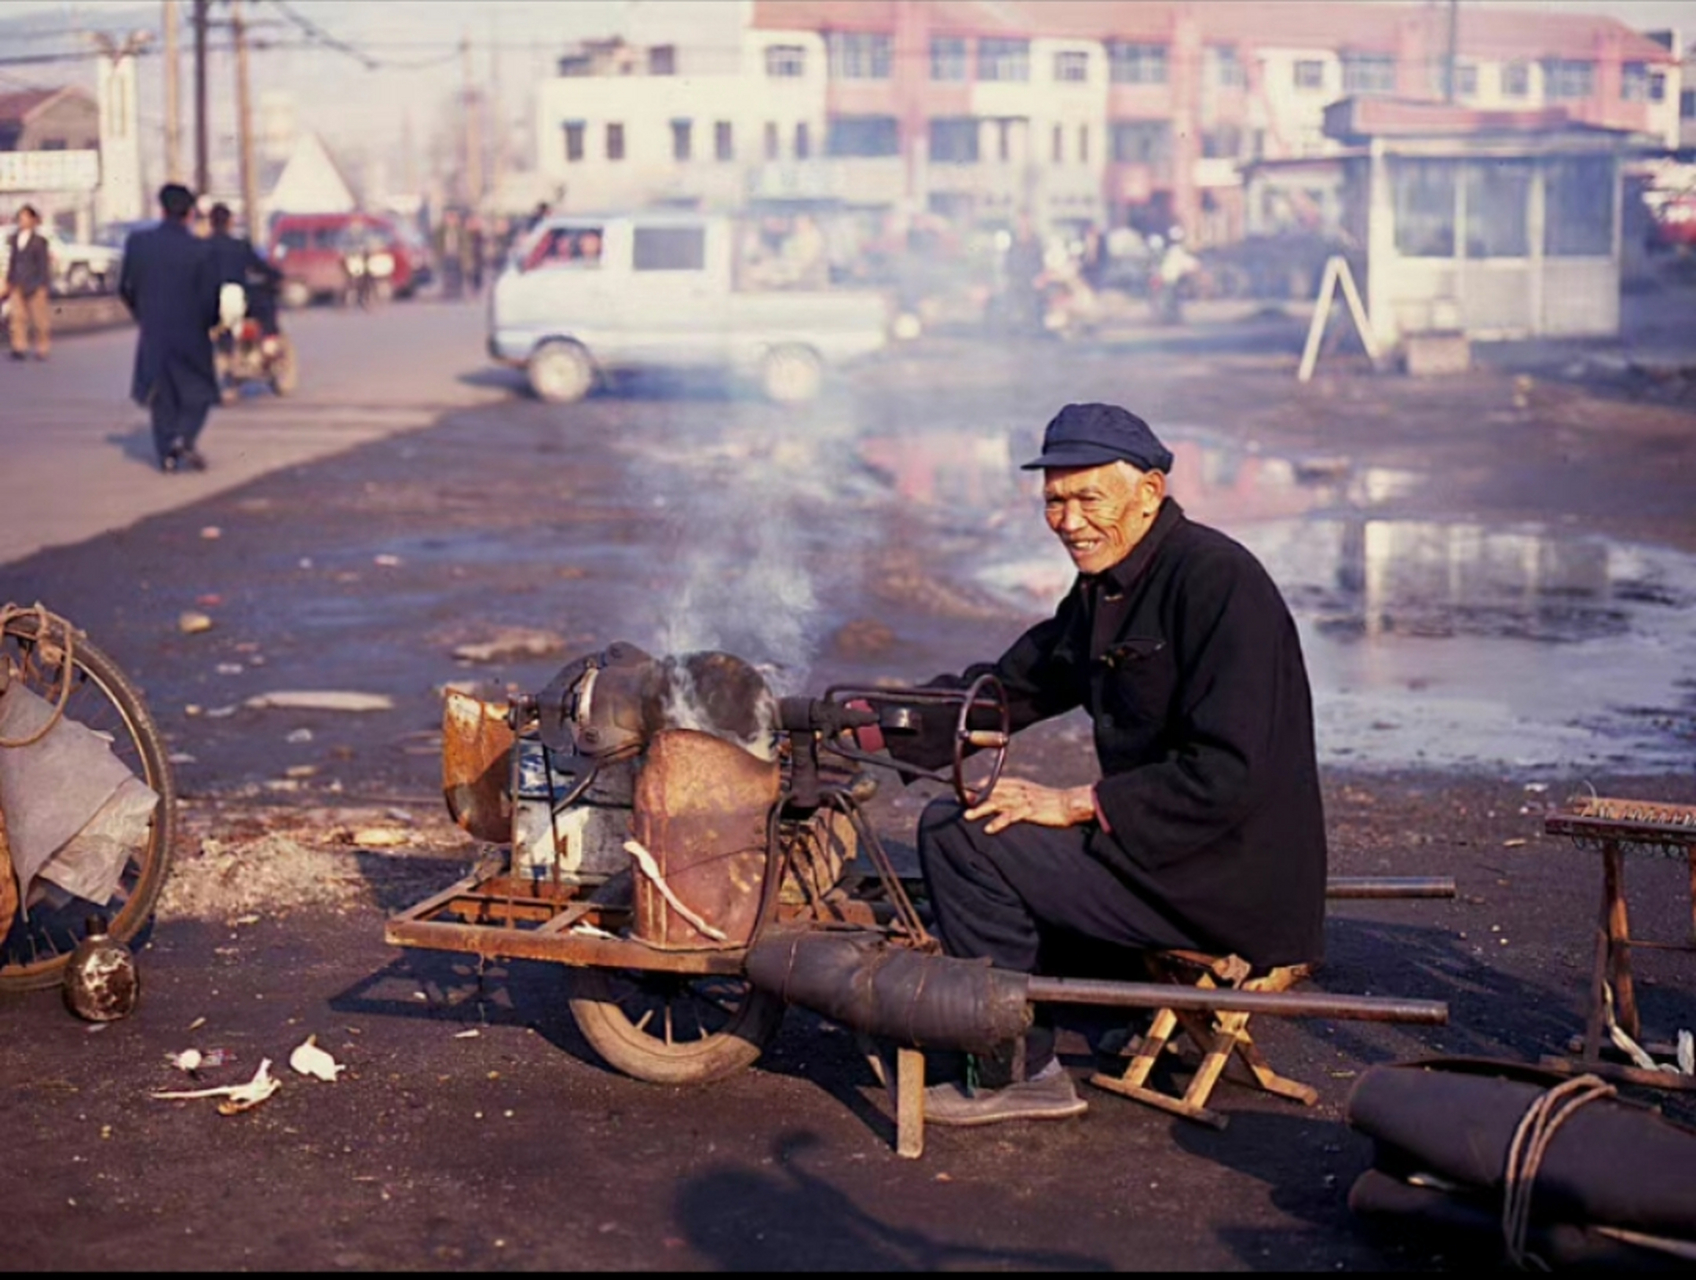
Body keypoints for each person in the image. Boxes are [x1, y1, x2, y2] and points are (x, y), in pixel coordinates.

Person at [863, 403, 1328, 1126]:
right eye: (1054, 501)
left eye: (1088, 499)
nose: (1069, 521)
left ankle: (1018, 1073)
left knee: (960, 836)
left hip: (1225, 876)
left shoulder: (1218, 581)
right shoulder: (1110, 583)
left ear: (1148, 492)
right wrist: (872, 725)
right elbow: (1013, 688)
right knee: (989, 830)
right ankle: (1111, 1014)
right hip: (1160, 852)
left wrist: (1075, 802)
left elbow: (1227, 772)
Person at [118, 184, 222, 473]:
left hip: (155, 330)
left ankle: (166, 453)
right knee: (198, 390)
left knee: (161, 394)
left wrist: (143, 314)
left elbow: (125, 287)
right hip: (192, 332)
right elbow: (210, 296)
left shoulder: (139, 243)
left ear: (162, 210)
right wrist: (210, 323)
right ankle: (185, 437)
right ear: (189, 214)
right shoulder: (201, 250)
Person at [206, 203, 281, 336]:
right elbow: (262, 268)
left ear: (211, 223)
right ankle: (269, 341)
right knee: (266, 304)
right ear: (230, 222)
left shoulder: (200, 248)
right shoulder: (240, 246)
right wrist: (278, 276)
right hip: (241, 301)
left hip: (210, 304)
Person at [4, 205, 53, 361]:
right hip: (17, 283)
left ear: (33, 220)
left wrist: (42, 285)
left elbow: (43, 265)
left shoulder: (40, 241)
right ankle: (19, 347)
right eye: (20, 217)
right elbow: (12, 261)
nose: (22, 220)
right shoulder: (14, 238)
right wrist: (9, 281)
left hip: (35, 284)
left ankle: (42, 348)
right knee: (17, 317)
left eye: (25, 217)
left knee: (39, 320)